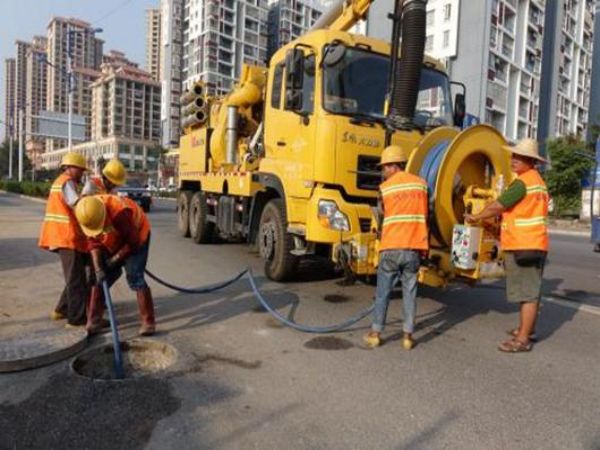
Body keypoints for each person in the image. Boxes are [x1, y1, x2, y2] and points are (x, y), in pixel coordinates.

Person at [465, 138, 549, 353]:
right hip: (533, 242)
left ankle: (522, 340)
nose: (513, 160)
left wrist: (477, 216)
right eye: (513, 155)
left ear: (530, 161)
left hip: (525, 244)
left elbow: (498, 206)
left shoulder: (523, 183)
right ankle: (526, 330)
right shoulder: (538, 182)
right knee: (529, 291)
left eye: (518, 157)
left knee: (527, 294)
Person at [363, 145, 429, 350]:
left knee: (383, 292)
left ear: (393, 166)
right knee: (410, 291)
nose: (383, 172)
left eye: (384, 167)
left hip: (391, 246)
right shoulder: (421, 184)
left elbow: (382, 216)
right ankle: (408, 336)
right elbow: (427, 215)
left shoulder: (385, 188)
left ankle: (375, 333)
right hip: (413, 247)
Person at [75, 194, 155, 336]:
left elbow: (133, 242)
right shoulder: (86, 214)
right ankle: (94, 321)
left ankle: (148, 322)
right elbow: (93, 243)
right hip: (114, 238)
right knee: (98, 278)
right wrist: (99, 268)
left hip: (137, 235)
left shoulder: (119, 213)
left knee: (134, 276)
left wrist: (116, 259)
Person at [38, 152, 90, 328]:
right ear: (69, 168)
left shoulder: (63, 182)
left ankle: (61, 310)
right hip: (66, 237)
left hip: (63, 236)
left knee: (76, 276)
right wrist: (87, 195)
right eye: (80, 169)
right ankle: (76, 320)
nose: (82, 173)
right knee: (77, 280)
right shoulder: (66, 182)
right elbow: (78, 206)